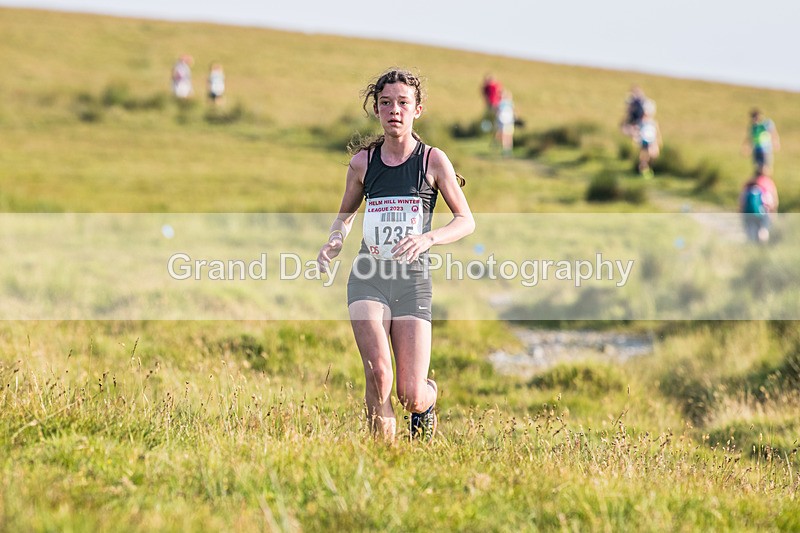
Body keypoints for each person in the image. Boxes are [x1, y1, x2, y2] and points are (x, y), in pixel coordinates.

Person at [317, 69, 475, 443]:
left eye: (403, 103)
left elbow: (466, 220)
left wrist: (428, 238)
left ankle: (428, 399)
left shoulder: (432, 161)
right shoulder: (363, 164)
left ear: (417, 110)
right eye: (386, 103)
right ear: (376, 109)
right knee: (378, 376)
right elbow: (344, 218)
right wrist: (334, 240)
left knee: (410, 394)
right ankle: (386, 461)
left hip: (412, 282)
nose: (394, 110)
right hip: (368, 277)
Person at [740, 163, 778, 243]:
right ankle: (762, 249)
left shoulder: (749, 183)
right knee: (763, 230)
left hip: (749, 212)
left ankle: (750, 248)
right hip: (763, 212)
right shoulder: (768, 183)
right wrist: (773, 213)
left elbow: (742, 200)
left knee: (750, 232)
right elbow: (773, 201)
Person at [637, 103, 661, 178]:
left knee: (652, 154)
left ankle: (648, 169)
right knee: (644, 156)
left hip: (651, 140)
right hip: (644, 140)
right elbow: (638, 131)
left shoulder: (653, 122)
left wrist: (658, 140)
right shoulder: (641, 122)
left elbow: (657, 132)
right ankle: (643, 170)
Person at [495, 90, 515, 156]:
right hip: (509, 121)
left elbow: (498, 113)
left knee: (504, 135)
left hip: (503, 121)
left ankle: (506, 150)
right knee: (508, 136)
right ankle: (508, 149)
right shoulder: (510, 103)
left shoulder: (501, 103)